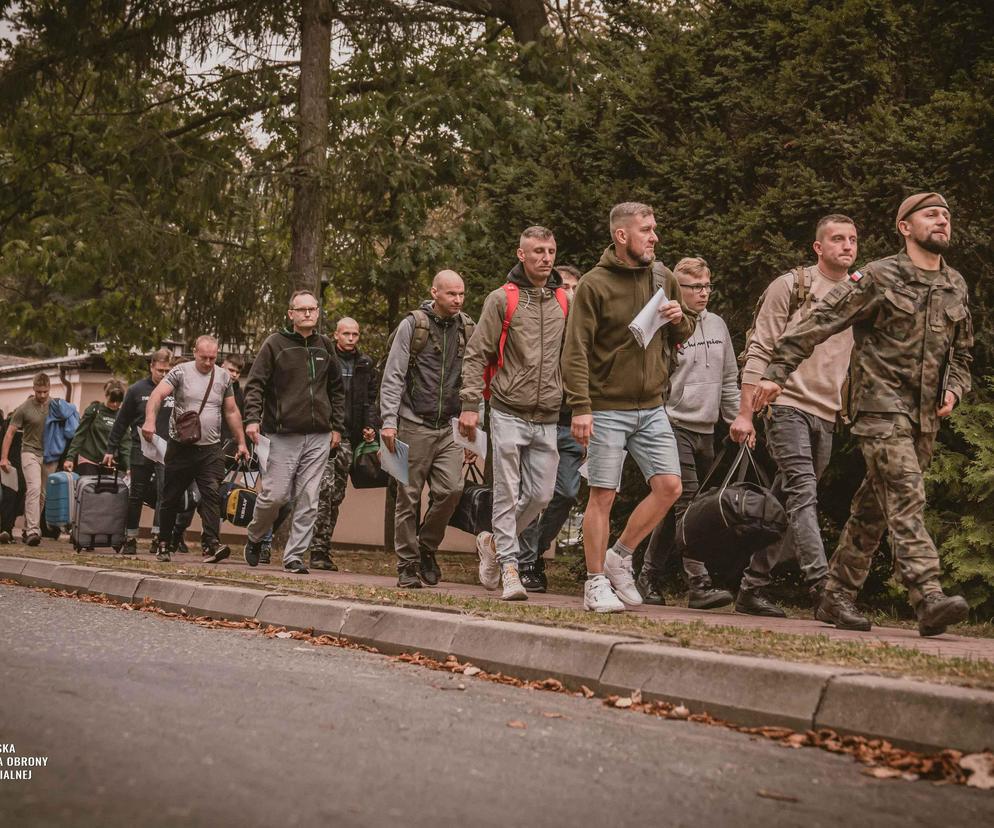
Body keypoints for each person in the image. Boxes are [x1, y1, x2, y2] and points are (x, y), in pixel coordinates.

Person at [753, 192, 973, 636]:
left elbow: (962, 353)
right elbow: (819, 320)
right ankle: (927, 594)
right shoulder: (878, 277)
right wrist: (777, 371)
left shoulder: (955, 285)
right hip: (879, 410)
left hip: (922, 418)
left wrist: (955, 386)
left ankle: (835, 595)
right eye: (931, 214)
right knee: (908, 494)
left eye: (946, 215)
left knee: (873, 508)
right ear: (904, 227)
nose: (942, 221)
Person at [561, 202, 694, 613]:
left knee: (670, 487)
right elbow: (575, 350)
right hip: (605, 407)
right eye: (646, 230)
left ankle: (620, 556)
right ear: (622, 236)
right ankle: (595, 581)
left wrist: (679, 318)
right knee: (603, 494)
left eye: (655, 228)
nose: (654, 236)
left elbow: (681, 334)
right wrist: (581, 407)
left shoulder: (662, 276)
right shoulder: (594, 284)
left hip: (652, 405)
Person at [730, 215, 858, 617]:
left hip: (828, 412)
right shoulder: (791, 286)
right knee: (804, 493)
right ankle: (823, 590)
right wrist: (745, 413)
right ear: (818, 247)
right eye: (838, 239)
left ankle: (752, 587)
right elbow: (760, 348)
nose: (847, 246)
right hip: (786, 405)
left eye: (853, 240)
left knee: (788, 501)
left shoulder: (860, 294)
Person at [459, 227, 568, 601]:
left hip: (548, 413)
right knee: (507, 493)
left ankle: (490, 543)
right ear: (521, 255)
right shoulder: (501, 300)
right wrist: (470, 404)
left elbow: (574, 358)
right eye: (538, 251)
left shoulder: (563, 302)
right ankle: (509, 566)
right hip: (506, 408)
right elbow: (477, 355)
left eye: (551, 251)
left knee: (540, 494)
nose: (546, 257)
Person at [639, 257, 751, 608]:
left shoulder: (716, 325)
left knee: (685, 507)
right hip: (672, 424)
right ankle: (698, 583)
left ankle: (647, 575)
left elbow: (730, 380)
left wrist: (738, 421)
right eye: (695, 287)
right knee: (685, 502)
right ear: (678, 289)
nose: (703, 293)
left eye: (707, 286)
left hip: (707, 429)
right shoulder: (664, 324)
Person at [380, 270, 474, 588]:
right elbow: (393, 375)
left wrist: (473, 428)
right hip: (411, 423)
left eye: (462, 294)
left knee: (452, 490)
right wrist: (389, 422)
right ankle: (407, 564)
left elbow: (475, 379)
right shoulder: (413, 325)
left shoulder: (467, 328)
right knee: (406, 496)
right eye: (451, 294)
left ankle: (426, 547)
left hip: (449, 427)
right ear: (435, 292)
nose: (458, 300)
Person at [241, 290, 345, 575]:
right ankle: (255, 535)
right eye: (302, 310)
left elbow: (337, 388)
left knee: (309, 498)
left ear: (318, 312)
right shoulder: (275, 345)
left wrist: (337, 426)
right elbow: (255, 385)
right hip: (282, 433)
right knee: (274, 496)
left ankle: (294, 556)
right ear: (291, 314)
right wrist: (252, 419)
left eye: (312, 309)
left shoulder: (325, 345)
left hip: (319, 435)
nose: (308, 314)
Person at [141, 335, 249, 564]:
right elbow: (157, 395)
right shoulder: (180, 372)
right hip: (180, 446)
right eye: (204, 358)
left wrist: (241, 442)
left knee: (211, 494)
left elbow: (231, 411)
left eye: (213, 358)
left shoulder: (223, 377)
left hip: (210, 448)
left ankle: (212, 544)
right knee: (171, 497)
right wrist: (150, 421)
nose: (209, 362)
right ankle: (163, 542)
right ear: (194, 352)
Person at [516, 264, 585, 592]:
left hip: (574, 424)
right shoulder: (541, 326)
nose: (569, 294)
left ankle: (532, 549)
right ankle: (527, 561)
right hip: (539, 420)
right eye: (565, 287)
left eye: (575, 288)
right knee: (533, 494)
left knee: (566, 493)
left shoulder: (588, 330)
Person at [307, 317, 380, 571]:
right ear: (336, 335)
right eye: (346, 333)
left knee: (336, 495)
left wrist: (370, 426)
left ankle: (323, 548)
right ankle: (316, 549)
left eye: (355, 334)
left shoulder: (365, 364)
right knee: (323, 493)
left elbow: (371, 399)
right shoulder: (325, 360)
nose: (351, 338)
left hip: (351, 438)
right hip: (325, 436)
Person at [104, 349, 173, 555]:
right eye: (160, 370)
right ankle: (131, 537)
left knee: (165, 494)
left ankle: (158, 537)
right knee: (136, 495)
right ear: (151, 367)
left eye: (167, 370)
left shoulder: (174, 389)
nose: (163, 374)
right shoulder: (136, 390)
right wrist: (110, 449)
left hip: (165, 450)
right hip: (140, 448)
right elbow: (121, 421)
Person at [0, 373, 57, 546]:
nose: (42, 395)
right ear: (34, 388)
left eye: (45, 392)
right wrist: (4, 458)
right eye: (39, 392)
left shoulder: (56, 406)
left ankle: (28, 529)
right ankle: (33, 530)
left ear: (49, 389)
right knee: (34, 487)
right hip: (29, 451)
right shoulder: (24, 408)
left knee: (41, 494)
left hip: (49, 454)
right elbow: (9, 433)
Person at [65, 380, 130, 478]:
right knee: (88, 490)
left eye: (119, 401)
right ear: (106, 396)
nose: (115, 404)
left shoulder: (122, 416)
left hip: (108, 463)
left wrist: (128, 466)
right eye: (112, 400)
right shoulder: (94, 410)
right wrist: (70, 457)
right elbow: (80, 434)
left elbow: (125, 443)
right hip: (88, 459)